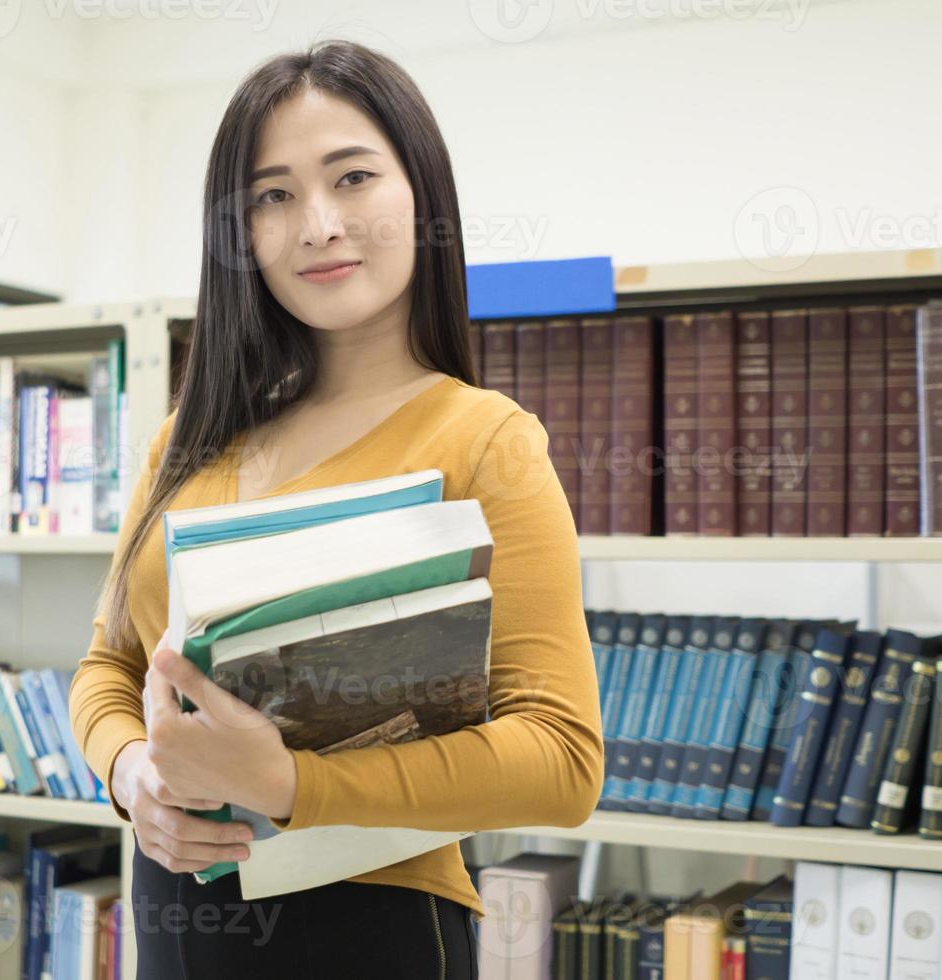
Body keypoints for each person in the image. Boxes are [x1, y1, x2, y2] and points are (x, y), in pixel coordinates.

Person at [69, 38, 602, 979]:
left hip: (371, 928)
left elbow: (561, 762)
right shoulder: (184, 442)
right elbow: (106, 667)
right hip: (175, 914)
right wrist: (132, 774)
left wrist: (290, 784)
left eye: (351, 177)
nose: (317, 224)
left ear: (421, 197)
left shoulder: (485, 440)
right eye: (272, 194)